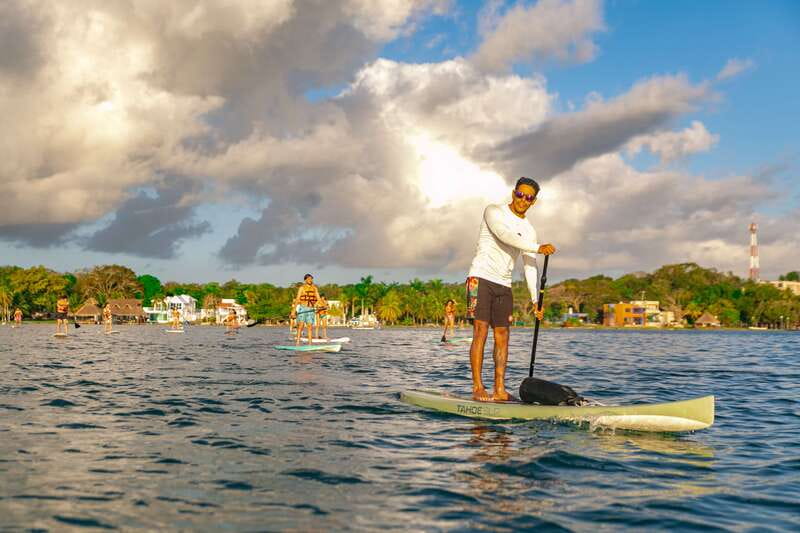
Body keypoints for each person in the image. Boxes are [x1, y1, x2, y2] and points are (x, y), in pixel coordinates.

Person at [466, 177, 556, 402]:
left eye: (529, 198)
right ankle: (478, 387)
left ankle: (499, 389)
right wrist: (538, 247)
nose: (523, 200)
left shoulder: (529, 230)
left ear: (533, 202)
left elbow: (529, 265)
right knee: (481, 332)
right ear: (513, 193)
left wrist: (536, 300)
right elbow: (503, 235)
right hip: (481, 277)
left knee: (503, 336)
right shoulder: (494, 211)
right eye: (520, 194)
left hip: (504, 284)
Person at [294, 274, 321, 345]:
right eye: (309, 279)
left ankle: (310, 344)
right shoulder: (302, 288)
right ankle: (297, 343)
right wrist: (293, 311)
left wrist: (318, 305)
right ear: (305, 280)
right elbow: (297, 299)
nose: (310, 280)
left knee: (310, 327)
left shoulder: (315, 288)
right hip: (303, 308)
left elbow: (318, 299)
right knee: (301, 326)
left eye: (311, 279)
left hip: (311, 309)